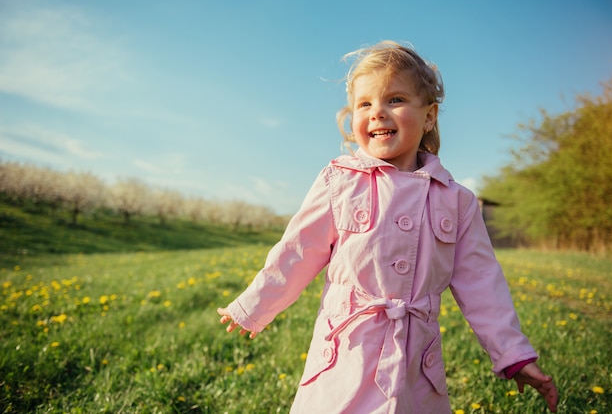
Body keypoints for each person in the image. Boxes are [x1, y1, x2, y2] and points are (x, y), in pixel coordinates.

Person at [217, 40, 559, 413]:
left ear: (429, 116)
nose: (377, 112)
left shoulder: (457, 201)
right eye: (365, 104)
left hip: (415, 363)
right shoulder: (338, 182)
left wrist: (513, 355)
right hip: (346, 355)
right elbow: (297, 250)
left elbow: (482, 283)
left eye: (394, 99)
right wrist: (254, 306)